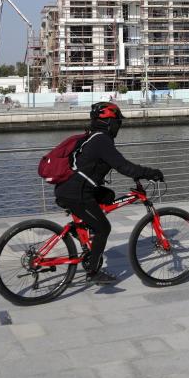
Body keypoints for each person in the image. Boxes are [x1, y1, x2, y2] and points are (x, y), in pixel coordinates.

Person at [54, 101, 164, 285]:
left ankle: (81, 229)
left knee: (108, 196)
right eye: (118, 122)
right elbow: (123, 166)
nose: (119, 126)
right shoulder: (101, 140)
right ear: (109, 122)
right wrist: (149, 172)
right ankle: (93, 271)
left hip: (71, 188)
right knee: (103, 227)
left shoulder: (93, 136)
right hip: (77, 193)